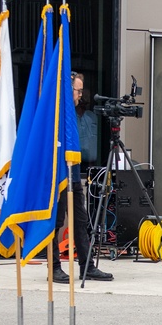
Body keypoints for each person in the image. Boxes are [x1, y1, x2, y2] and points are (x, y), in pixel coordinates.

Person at [53, 71, 113, 283]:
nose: (81, 95)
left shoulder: (73, 115)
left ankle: (86, 266)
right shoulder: (56, 113)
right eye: (78, 91)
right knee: (57, 221)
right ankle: (53, 267)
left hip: (75, 173)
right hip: (59, 174)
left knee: (80, 220)